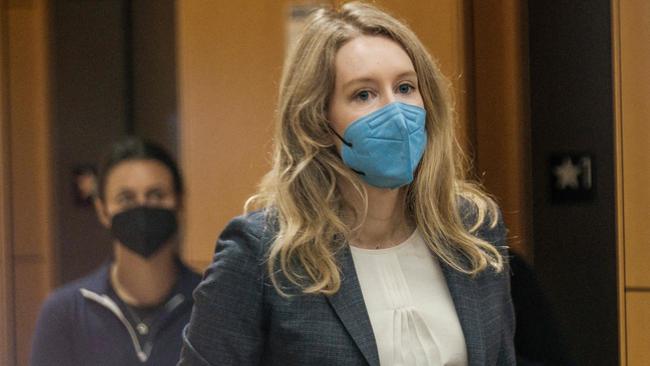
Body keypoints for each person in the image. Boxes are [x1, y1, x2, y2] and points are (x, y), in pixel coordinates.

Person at [179, 2, 515, 365]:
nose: (395, 112)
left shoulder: (473, 230)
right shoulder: (261, 253)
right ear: (319, 123)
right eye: (363, 94)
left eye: (405, 87)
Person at [31, 137, 202, 366]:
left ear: (179, 203)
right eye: (126, 198)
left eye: (156, 195)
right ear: (102, 211)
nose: (142, 206)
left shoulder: (210, 304)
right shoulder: (64, 312)